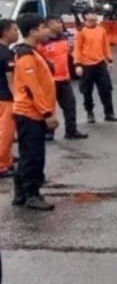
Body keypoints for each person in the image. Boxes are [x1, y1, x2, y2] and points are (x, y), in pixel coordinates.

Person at [11, 13, 58, 211]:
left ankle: (22, 192)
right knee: (33, 156)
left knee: (28, 154)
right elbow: (32, 88)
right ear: (33, 31)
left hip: (33, 112)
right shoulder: (26, 56)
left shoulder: (32, 52)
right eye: (43, 27)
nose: (48, 31)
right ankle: (31, 194)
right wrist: (47, 114)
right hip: (31, 113)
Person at [39, 16, 88, 140]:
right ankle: (48, 132)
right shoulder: (42, 42)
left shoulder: (64, 37)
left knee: (70, 105)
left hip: (64, 79)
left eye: (60, 22)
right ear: (49, 26)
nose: (61, 25)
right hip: (49, 81)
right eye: (57, 23)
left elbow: (70, 53)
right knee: (49, 107)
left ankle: (71, 131)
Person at [74, 8, 117, 123]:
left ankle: (109, 113)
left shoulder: (101, 30)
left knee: (106, 89)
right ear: (85, 16)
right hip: (86, 65)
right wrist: (78, 64)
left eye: (96, 13)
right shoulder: (81, 30)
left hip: (100, 64)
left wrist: (109, 60)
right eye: (92, 13)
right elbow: (77, 49)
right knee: (87, 91)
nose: (95, 15)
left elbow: (106, 46)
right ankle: (90, 113)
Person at [0, 19, 19, 178]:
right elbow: (10, 80)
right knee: (6, 133)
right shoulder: (6, 54)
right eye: (14, 30)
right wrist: (17, 98)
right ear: (6, 32)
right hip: (5, 98)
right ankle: (2, 165)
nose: (17, 33)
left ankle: (7, 160)